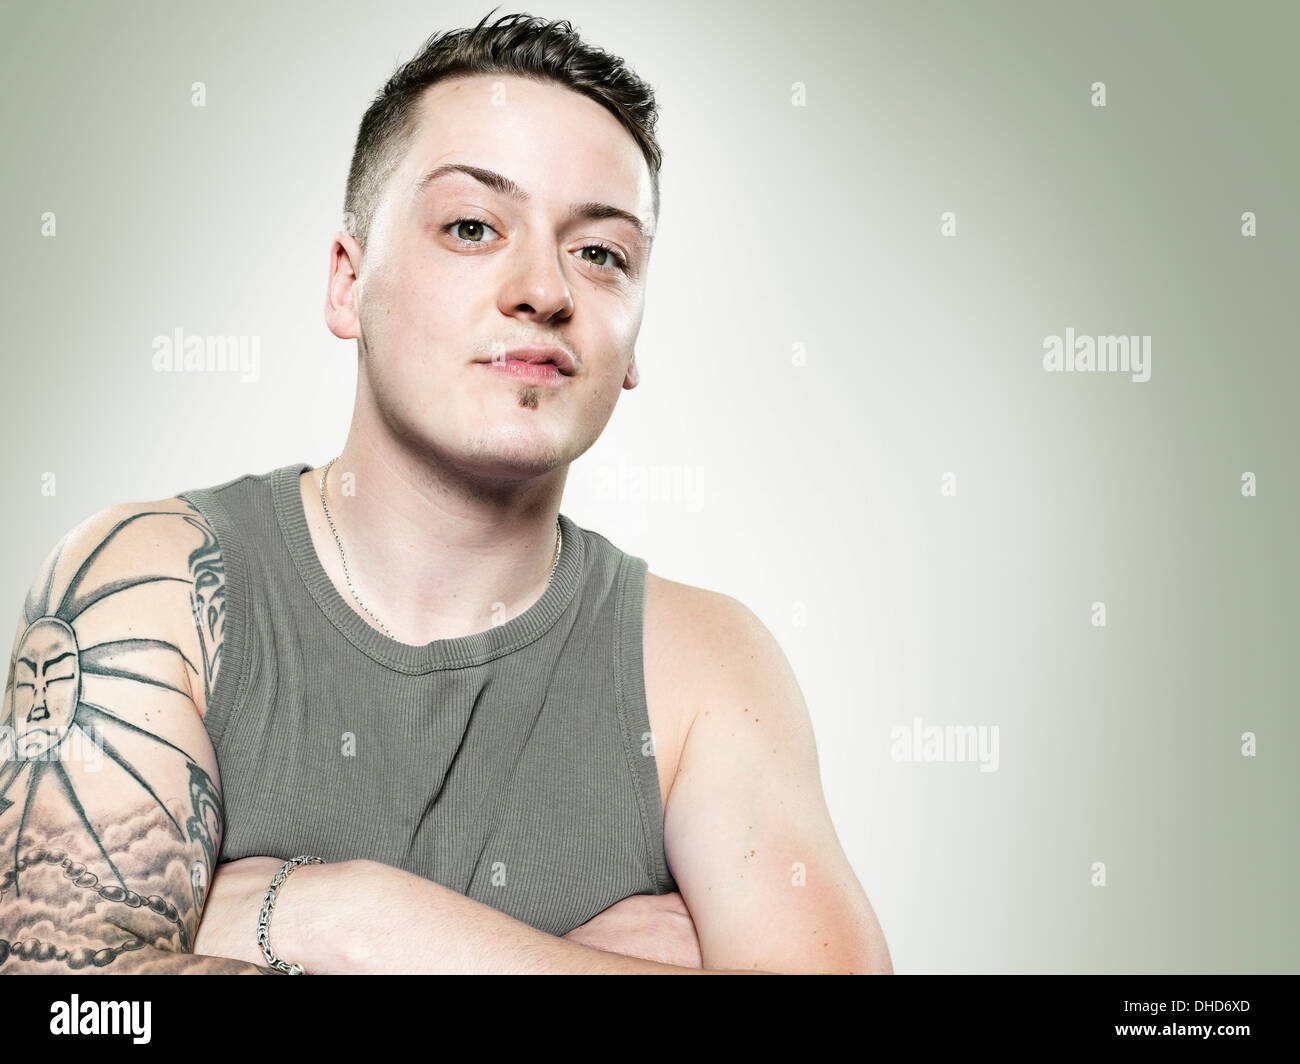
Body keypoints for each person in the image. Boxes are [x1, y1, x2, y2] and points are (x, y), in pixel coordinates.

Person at [0, 9, 891, 974]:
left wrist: (351, 916)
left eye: (601, 253)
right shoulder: (154, 583)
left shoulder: (707, 665)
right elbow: (74, 1008)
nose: (544, 289)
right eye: (472, 227)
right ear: (348, 283)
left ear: (634, 339)